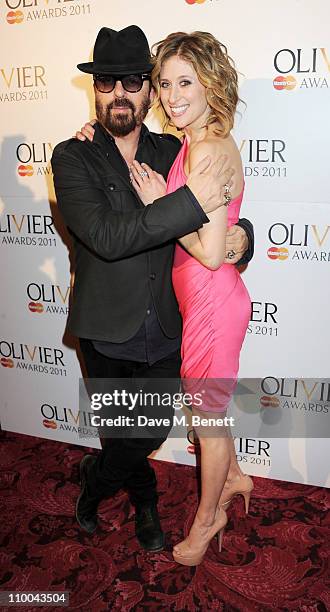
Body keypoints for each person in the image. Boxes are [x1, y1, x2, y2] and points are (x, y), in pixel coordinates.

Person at [51, 25, 254, 553]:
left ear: (148, 91)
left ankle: (95, 480)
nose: (119, 94)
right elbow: (107, 236)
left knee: (147, 432)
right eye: (106, 83)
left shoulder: (175, 148)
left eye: (133, 82)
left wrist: (244, 238)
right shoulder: (73, 157)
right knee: (121, 435)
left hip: (169, 326)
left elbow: (220, 216)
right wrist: (181, 204)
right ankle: (140, 501)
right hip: (105, 327)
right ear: (95, 91)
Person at [131, 30, 254, 566]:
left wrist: (163, 205)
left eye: (186, 81)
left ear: (211, 85)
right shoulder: (202, 139)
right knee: (214, 414)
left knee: (209, 419)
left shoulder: (204, 148)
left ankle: (209, 519)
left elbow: (206, 252)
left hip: (210, 300)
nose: (172, 94)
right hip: (208, 299)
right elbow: (220, 231)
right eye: (164, 83)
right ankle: (235, 478)